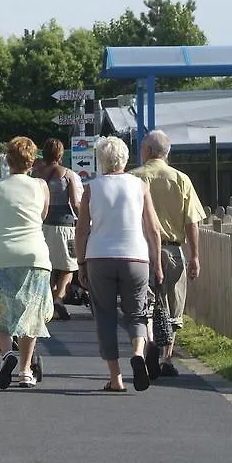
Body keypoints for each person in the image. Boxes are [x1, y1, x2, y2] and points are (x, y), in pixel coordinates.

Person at [75, 136, 162, 392]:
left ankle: (116, 378)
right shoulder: (140, 186)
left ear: (100, 161)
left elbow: (81, 229)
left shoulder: (91, 188)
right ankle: (137, 352)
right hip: (135, 256)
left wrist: (80, 263)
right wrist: (156, 263)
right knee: (137, 312)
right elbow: (153, 228)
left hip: (99, 256)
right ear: (125, 159)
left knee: (105, 317)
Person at [0, 136, 53, 389]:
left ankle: (7, 354)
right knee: (31, 313)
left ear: (7, 159)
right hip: (34, 255)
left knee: (0, 311)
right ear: (32, 161)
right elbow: (42, 216)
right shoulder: (41, 186)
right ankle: (26, 371)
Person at [130, 129, 207, 378]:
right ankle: (167, 358)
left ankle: (149, 344)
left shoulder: (133, 178)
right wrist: (194, 256)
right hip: (172, 249)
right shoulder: (181, 179)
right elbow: (191, 221)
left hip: (141, 249)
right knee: (173, 304)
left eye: (142, 147)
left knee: (146, 302)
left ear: (149, 151)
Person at [38, 138, 83, 321]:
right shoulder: (68, 175)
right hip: (66, 226)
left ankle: (48, 305)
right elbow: (75, 203)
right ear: (61, 154)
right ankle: (59, 298)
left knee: (47, 268)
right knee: (68, 267)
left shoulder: (38, 175)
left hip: (44, 227)